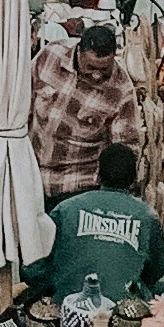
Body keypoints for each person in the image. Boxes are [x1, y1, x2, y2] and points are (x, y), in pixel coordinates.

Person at [25, 144, 164, 300]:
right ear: (133, 179)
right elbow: (156, 271)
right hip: (122, 309)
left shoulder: (65, 208)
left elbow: (38, 263)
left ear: (98, 174)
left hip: (69, 302)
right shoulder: (147, 216)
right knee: (163, 289)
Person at [29, 18, 134, 204]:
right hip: (31, 179)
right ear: (79, 52)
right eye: (91, 67)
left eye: (104, 69)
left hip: (79, 189)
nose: (96, 75)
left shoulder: (121, 90)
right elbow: (22, 103)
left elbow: (124, 149)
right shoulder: (50, 56)